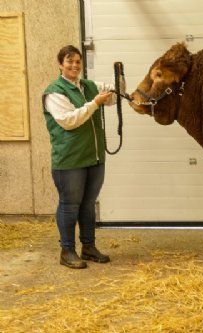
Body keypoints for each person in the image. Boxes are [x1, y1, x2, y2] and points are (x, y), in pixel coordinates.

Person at [43, 45, 120, 269]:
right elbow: (69, 120)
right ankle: (67, 251)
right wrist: (95, 103)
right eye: (69, 61)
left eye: (78, 61)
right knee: (70, 204)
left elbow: (114, 95)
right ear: (60, 64)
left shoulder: (88, 85)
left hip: (93, 157)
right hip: (69, 160)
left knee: (87, 204)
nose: (75, 65)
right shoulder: (54, 91)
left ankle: (89, 247)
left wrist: (119, 78)